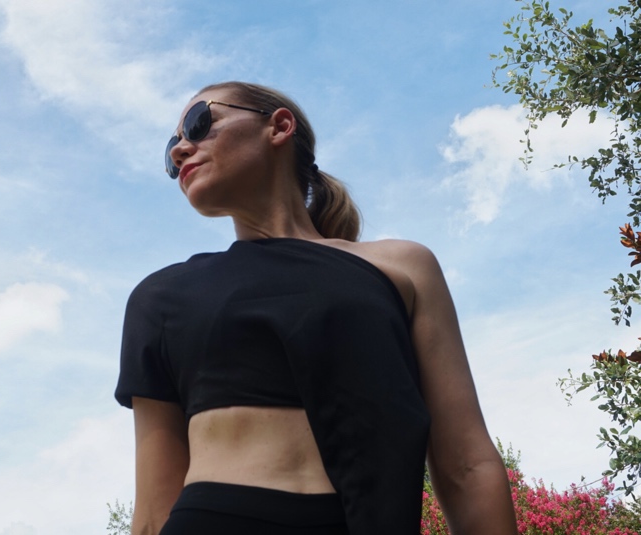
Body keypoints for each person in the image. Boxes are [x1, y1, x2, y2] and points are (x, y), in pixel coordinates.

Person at [115, 81, 518, 535]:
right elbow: (152, 511)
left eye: (198, 123)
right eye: (173, 146)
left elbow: (466, 464)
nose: (180, 151)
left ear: (279, 126)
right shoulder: (160, 297)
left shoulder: (402, 267)